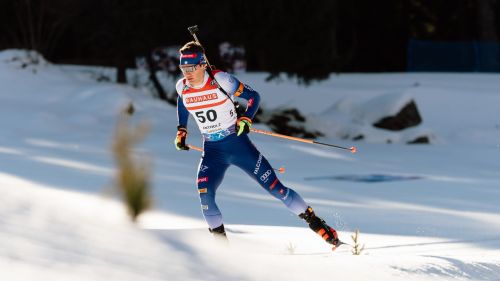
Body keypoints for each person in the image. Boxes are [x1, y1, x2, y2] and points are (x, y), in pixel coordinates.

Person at [174, 41, 340, 248]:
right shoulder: (182, 86)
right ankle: (222, 250)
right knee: (205, 195)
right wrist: (182, 129)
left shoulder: (221, 80)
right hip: (212, 150)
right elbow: (183, 102)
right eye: (183, 68)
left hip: (237, 145)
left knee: (277, 189)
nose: (186, 73)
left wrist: (246, 119)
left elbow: (253, 97)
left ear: (201, 65)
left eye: (190, 68)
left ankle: (318, 225)